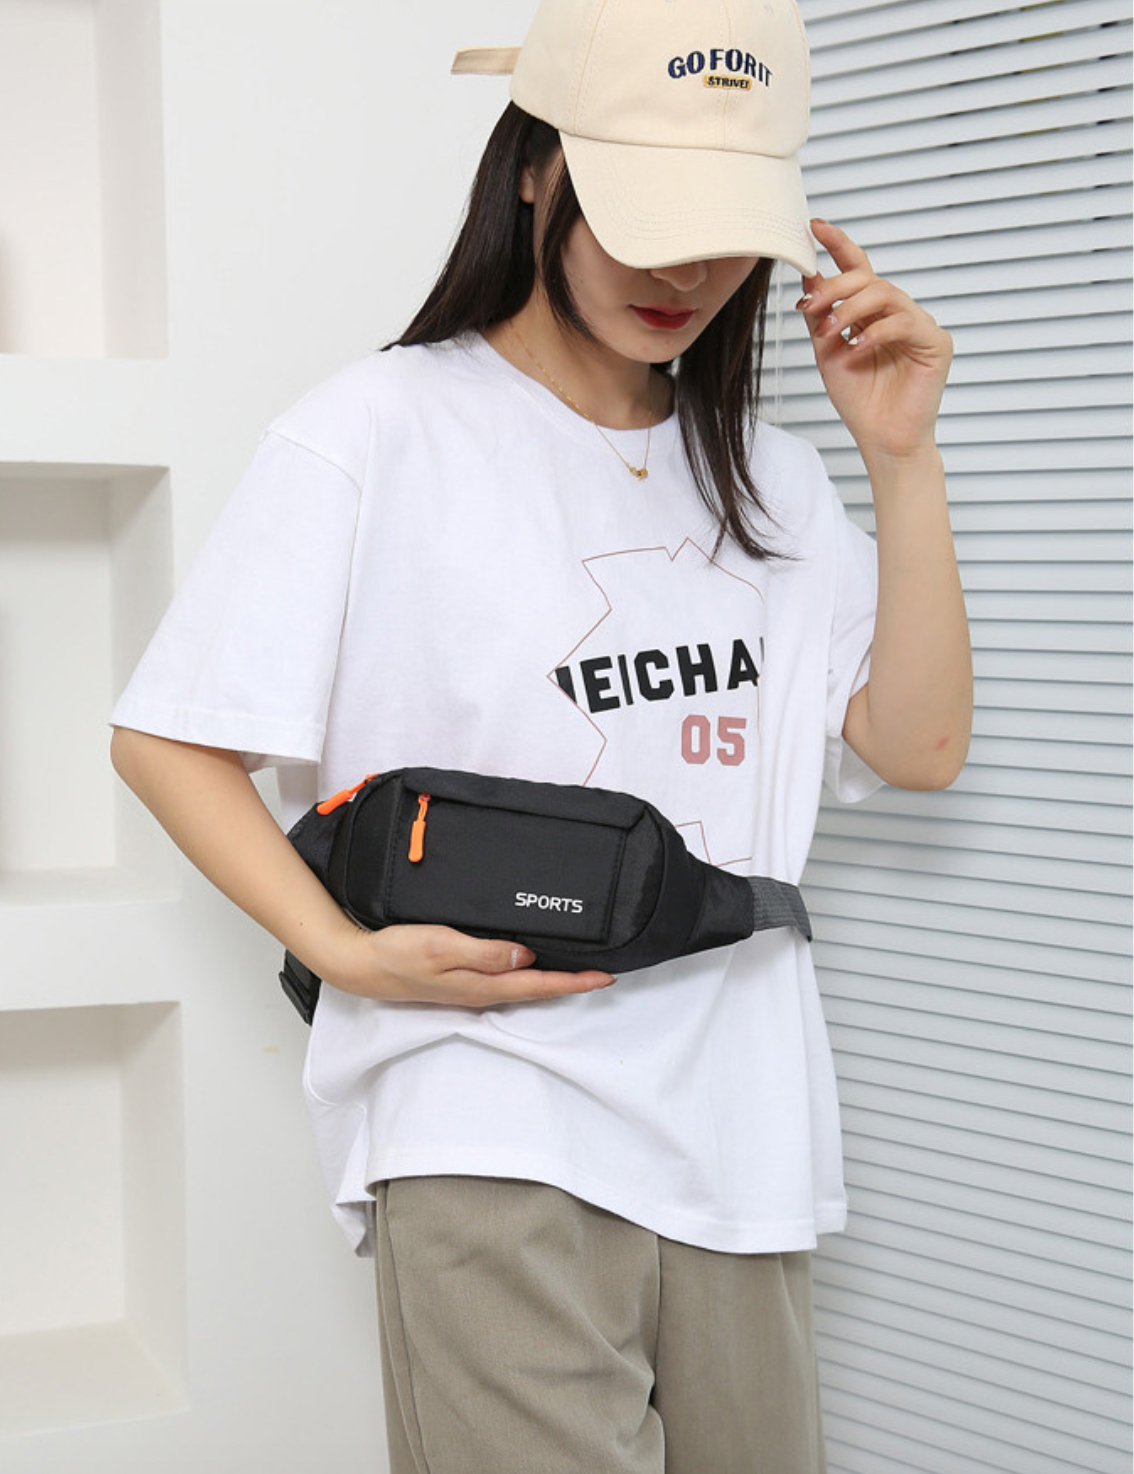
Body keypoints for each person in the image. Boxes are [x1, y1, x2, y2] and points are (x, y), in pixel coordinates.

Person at [110, 0, 972, 1469]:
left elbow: (917, 745)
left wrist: (902, 459)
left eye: (723, 229)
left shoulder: (769, 476)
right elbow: (169, 738)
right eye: (645, 217)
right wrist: (342, 953)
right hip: (486, 1114)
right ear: (533, 171)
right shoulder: (376, 431)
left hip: (740, 1128)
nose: (684, 272)